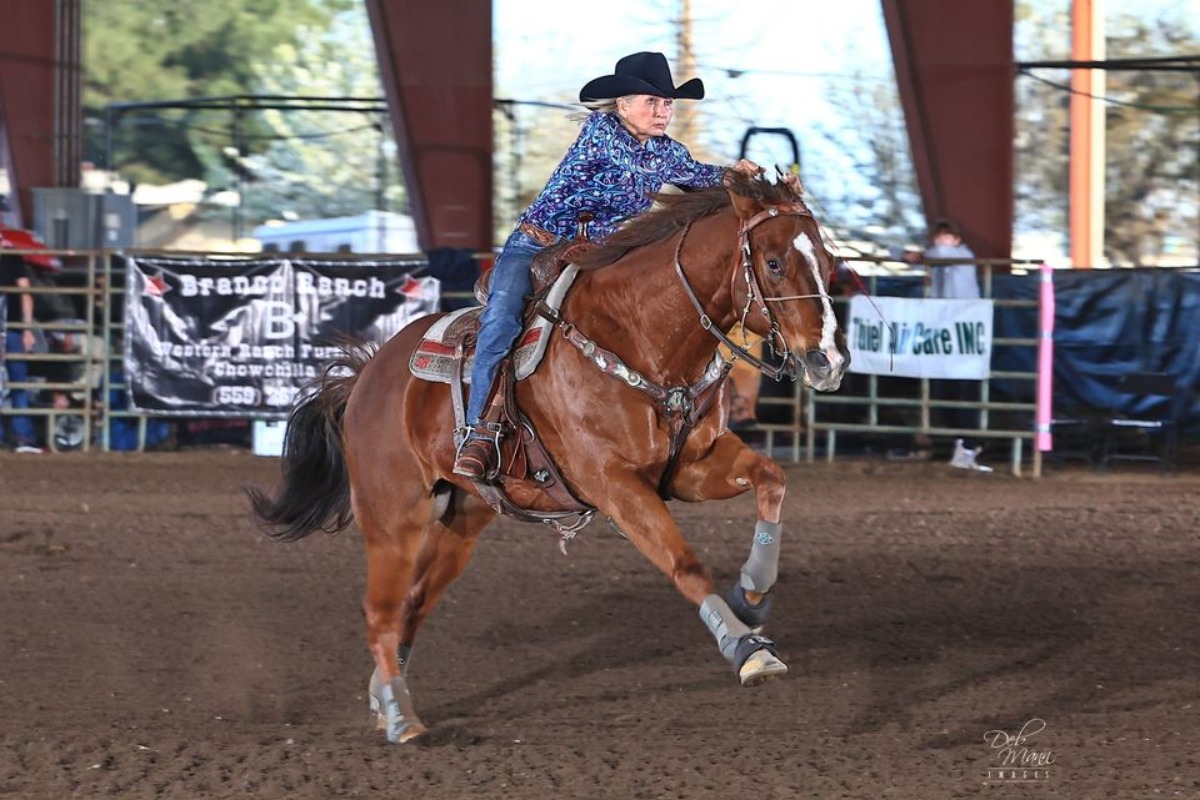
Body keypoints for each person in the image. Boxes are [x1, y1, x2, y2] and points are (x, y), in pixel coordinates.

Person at [453, 51, 760, 479]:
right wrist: (726, 177)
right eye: (651, 101)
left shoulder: (666, 151)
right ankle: (478, 432)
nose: (662, 111)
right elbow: (646, 171)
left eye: (667, 103)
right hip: (536, 245)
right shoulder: (603, 132)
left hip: (594, 254)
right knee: (500, 322)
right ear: (622, 105)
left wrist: (751, 180)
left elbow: (700, 174)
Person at [903, 218, 991, 472]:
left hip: (963, 332)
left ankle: (968, 446)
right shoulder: (939, 260)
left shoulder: (961, 255)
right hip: (947, 333)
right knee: (947, 390)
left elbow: (938, 254)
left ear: (957, 241)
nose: (942, 242)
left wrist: (915, 255)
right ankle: (963, 446)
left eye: (947, 237)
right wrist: (907, 254)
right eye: (939, 237)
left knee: (964, 389)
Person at [1, 251, 42, 452]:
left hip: (12, 330)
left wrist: (27, 329)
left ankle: (22, 437)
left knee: (18, 383)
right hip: (13, 330)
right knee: (18, 384)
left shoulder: (12, 259)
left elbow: (26, 295)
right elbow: (25, 294)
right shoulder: (13, 259)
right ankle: (23, 437)